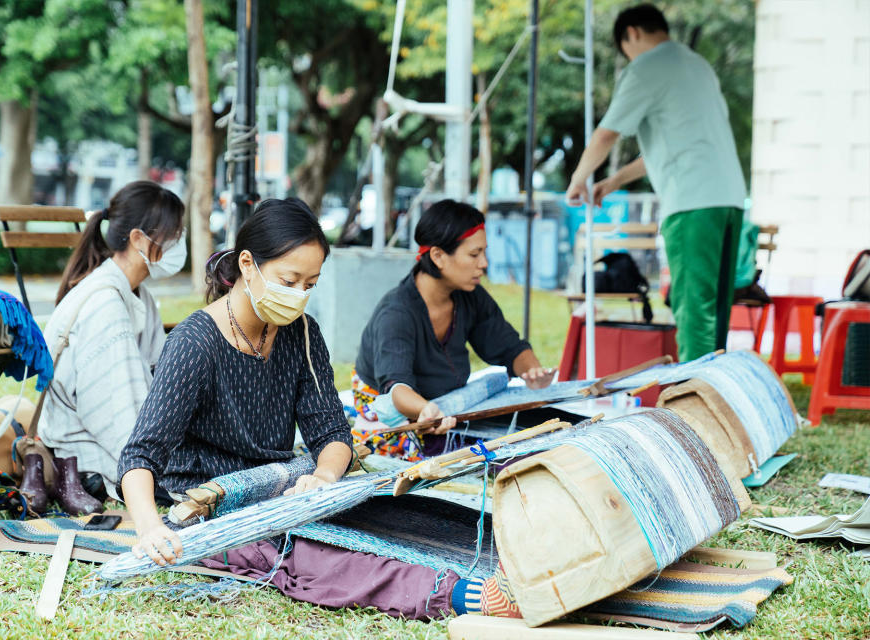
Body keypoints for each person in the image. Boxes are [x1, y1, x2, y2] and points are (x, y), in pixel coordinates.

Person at [116, 198, 521, 620]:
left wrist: (324, 477)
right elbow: (140, 456)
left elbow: (332, 434)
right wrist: (150, 528)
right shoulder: (195, 343)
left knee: (388, 512)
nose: (299, 296)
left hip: (280, 488)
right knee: (305, 555)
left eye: (310, 285)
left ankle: (510, 559)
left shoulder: (302, 334)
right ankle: (463, 595)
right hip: (215, 503)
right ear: (248, 265)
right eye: (289, 281)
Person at [565, 4, 746, 362]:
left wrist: (578, 179)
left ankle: (691, 403)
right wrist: (613, 181)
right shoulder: (699, 66)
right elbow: (665, 150)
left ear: (631, 33)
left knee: (693, 307)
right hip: (730, 199)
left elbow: (606, 134)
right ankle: (718, 395)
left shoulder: (646, 67)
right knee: (716, 309)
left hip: (692, 201)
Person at [353, 199, 554, 459]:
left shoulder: (470, 296)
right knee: (468, 455)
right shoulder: (397, 314)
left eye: (484, 253)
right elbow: (397, 389)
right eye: (474, 254)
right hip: (395, 413)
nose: (484, 263)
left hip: (444, 407)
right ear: (438, 256)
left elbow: (509, 346)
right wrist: (427, 411)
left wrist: (532, 371)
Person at [39, 181, 185, 500]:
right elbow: (117, 414)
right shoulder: (105, 303)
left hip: (111, 443)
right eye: (173, 234)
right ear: (138, 239)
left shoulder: (136, 294)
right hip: (86, 459)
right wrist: (153, 466)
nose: (179, 243)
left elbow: (157, 379)